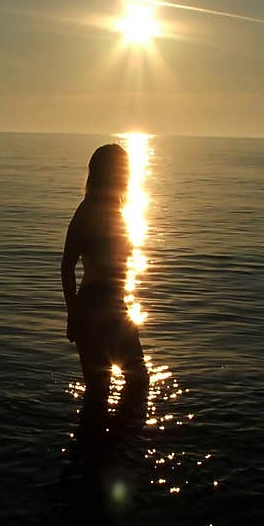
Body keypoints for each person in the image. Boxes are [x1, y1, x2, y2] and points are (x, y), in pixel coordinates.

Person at [61, 144, 149, 456]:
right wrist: (73, 315)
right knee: (106, 391)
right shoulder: (88, 211)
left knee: (132, 383)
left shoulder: (116, 210)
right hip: (96, 308)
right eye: (122, 169)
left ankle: (107, 454)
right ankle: (95, 461)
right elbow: (67, 265)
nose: (126, 175)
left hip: (113, 307)